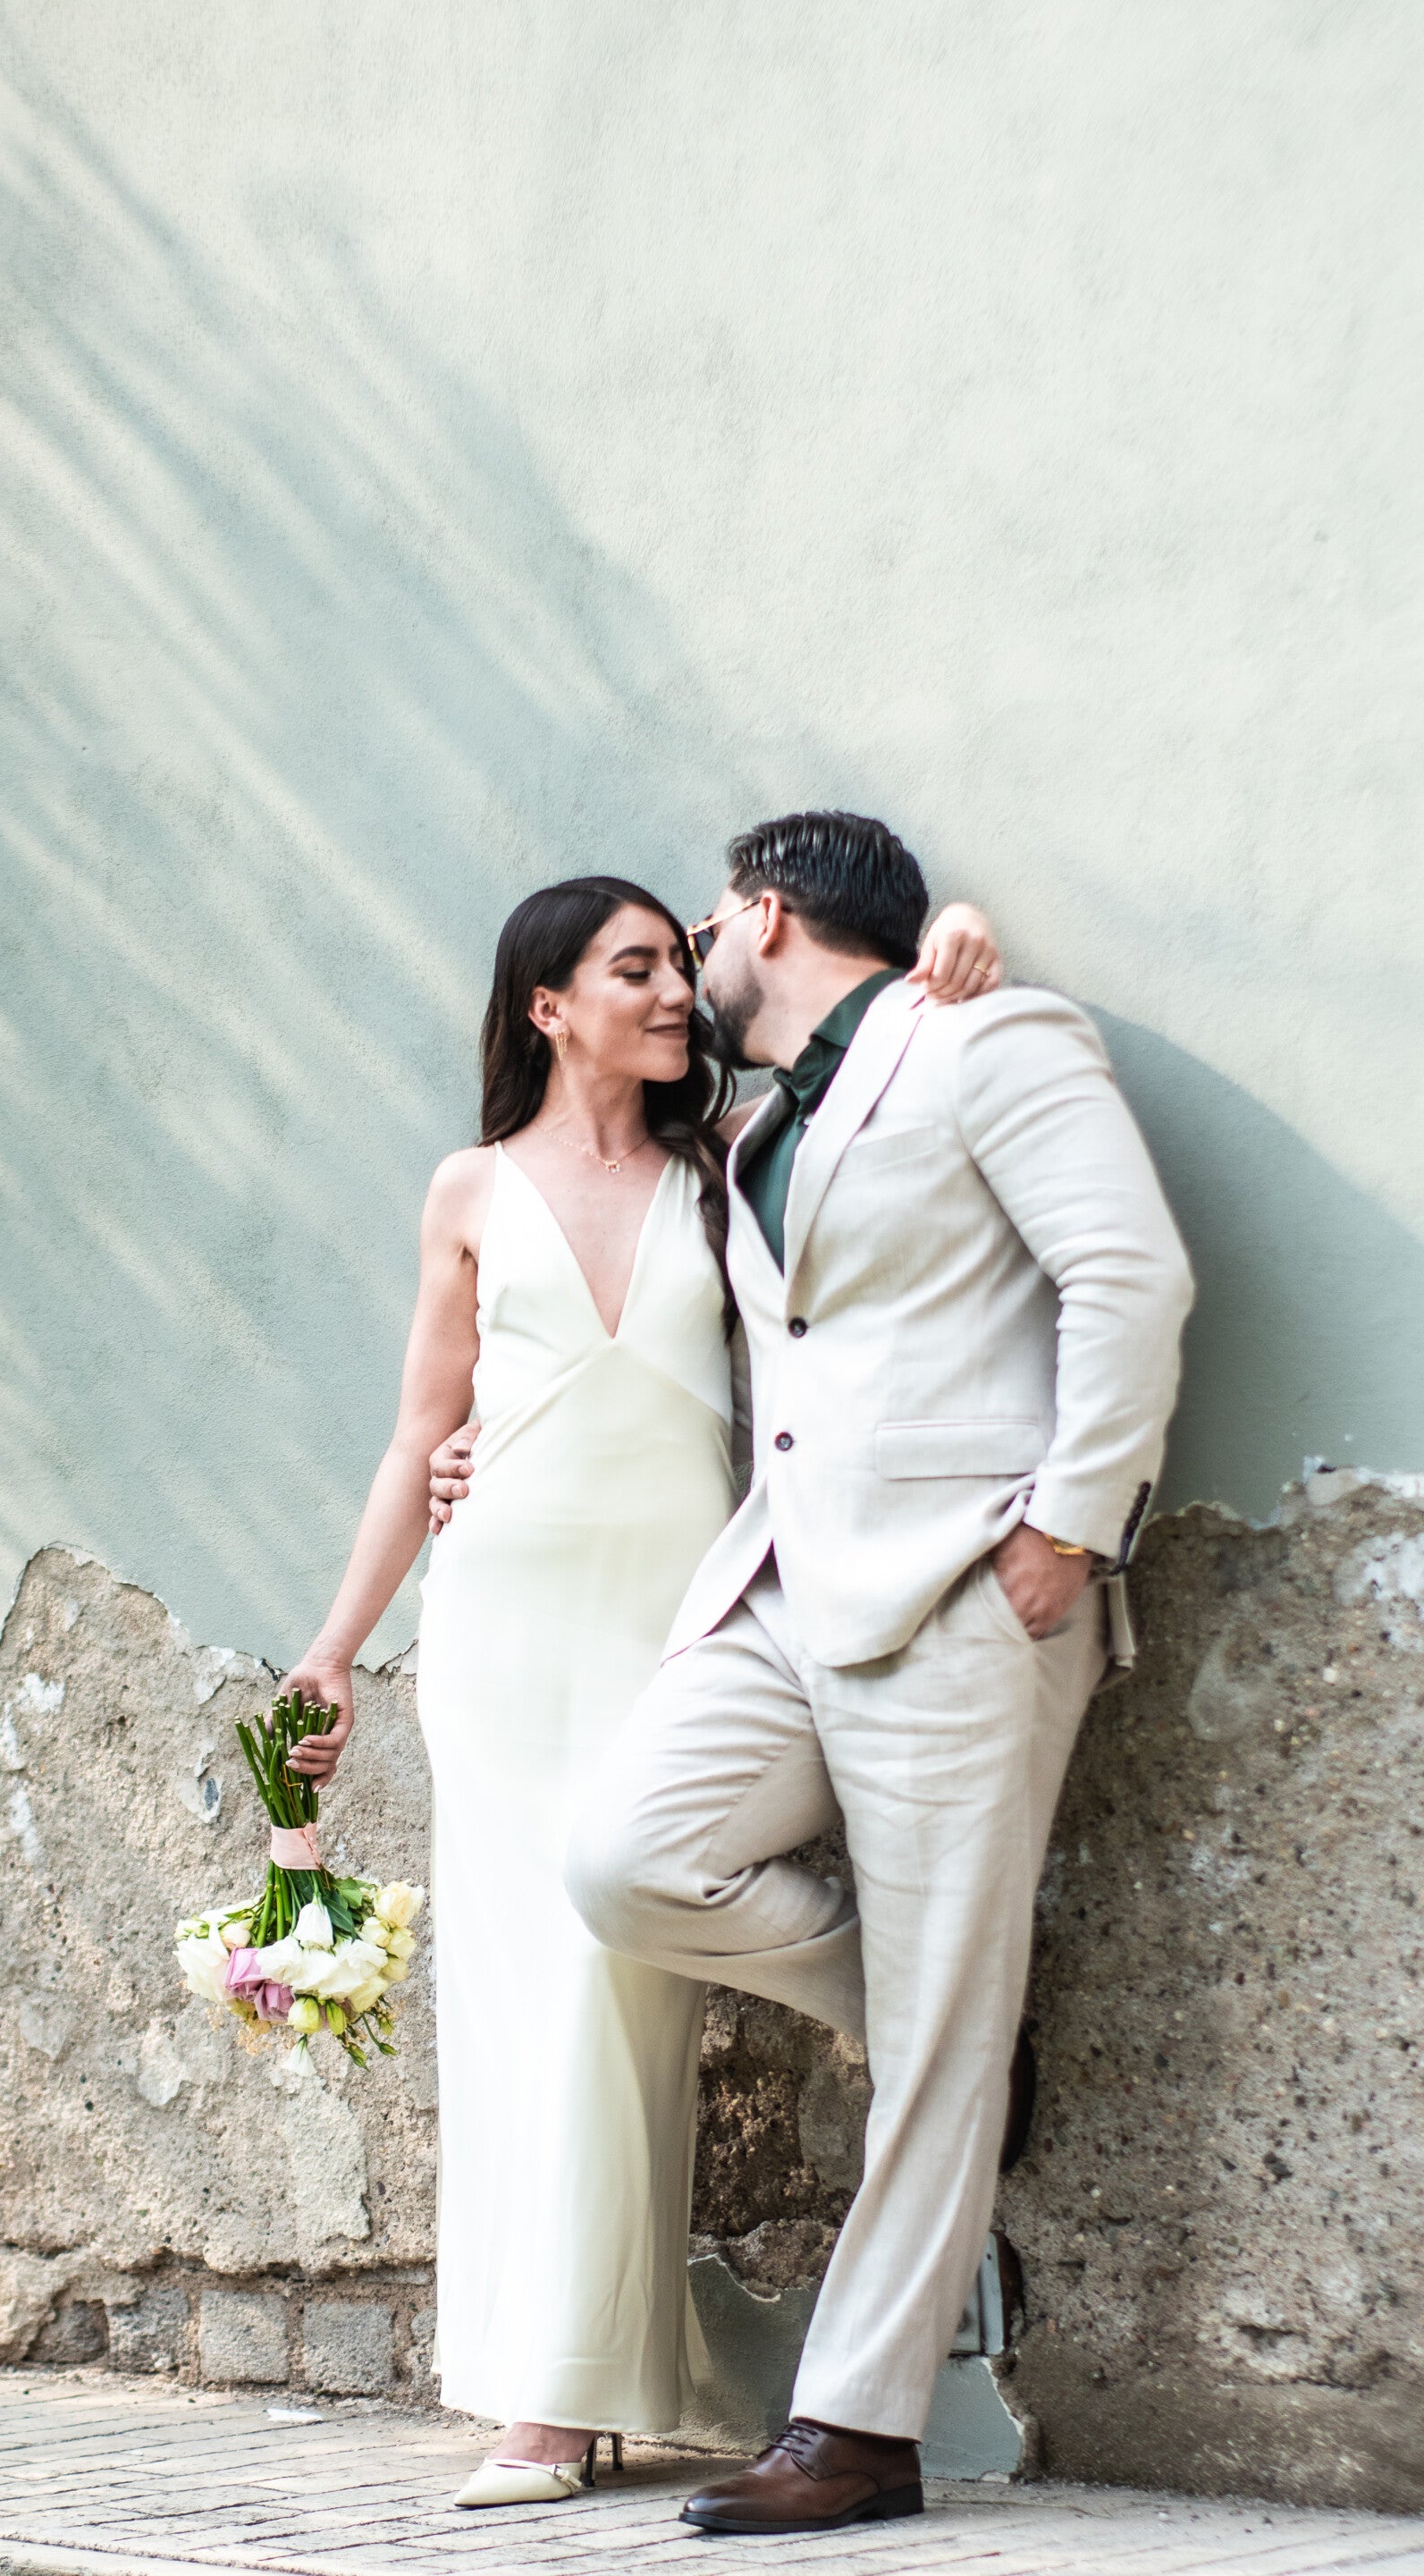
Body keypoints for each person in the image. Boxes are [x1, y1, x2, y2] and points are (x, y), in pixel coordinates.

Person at [279, 866, 1003, 2506]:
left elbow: (884, 1108)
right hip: (500, 1628)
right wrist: (333, 1645)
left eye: (684, 963)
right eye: (637, 970)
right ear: (548, 1006)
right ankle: (542, 2395)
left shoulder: (728, 1161)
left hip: (672, 1626)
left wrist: (949, 957)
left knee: (620, 1977)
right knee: (518, 1993)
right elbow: (417, 1436)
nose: (680, 992)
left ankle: (571, 2392)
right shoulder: (470, 1188)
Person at [559, 810, 1194, 2536]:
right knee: (626, 1855)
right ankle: (951, 2027)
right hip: (785, 1584)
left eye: (707, 921)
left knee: (938, 2034)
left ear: (766, 911)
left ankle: (856, 2429)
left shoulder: (991, 1038)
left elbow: (1129, 1273)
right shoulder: (753, 1111)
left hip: (970, 1592)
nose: (695, 950)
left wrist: (1070, 1525)